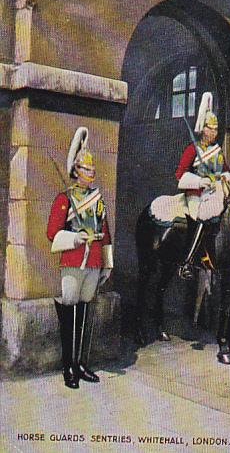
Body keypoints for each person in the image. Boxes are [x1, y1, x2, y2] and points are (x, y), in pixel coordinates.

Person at [47, 127, 113, 389]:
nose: (92, 173)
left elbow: (105, 231)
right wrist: (74, 239)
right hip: (73, 260)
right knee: (71, 309)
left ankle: (82, 363)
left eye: (93, 170)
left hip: (94, 260)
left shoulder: (97, 200)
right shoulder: (64, 199)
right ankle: (68, 367)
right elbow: (52, 232)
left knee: (87, 312)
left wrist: (107, 262)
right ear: (76, 171)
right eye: (87, 170)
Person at [176, 92, 230, 280]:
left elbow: (226, 170)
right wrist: (199, 181)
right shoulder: (192, 149)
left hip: (215, 193)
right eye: (211, 129)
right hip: (195, 194)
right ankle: (187, 261)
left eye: (216, 129)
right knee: (200, 220)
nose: (214, 133)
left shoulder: (217, 151)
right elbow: (179, 175)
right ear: (203, 129)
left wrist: (226, 178)